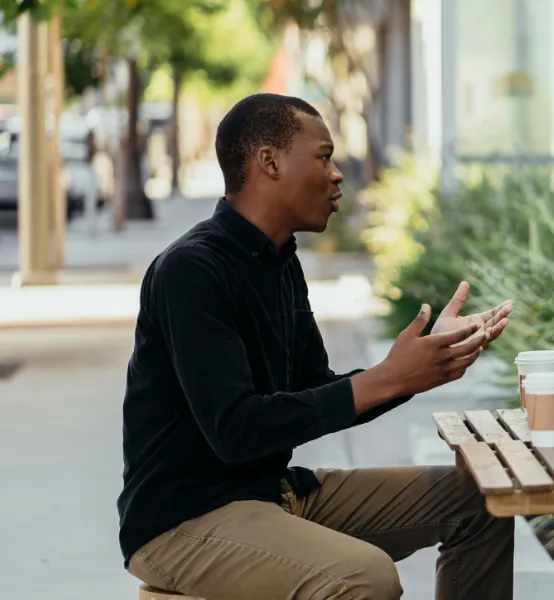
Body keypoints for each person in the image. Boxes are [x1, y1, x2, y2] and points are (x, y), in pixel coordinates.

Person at [117, 93, 515, 600]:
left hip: (274, 494)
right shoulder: (191, 271)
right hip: (182, 522)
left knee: (480, 498)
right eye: (324, 157)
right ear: (270, 161)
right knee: (364, 578)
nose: (336, 174)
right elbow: (235, 431)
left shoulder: (282, 263)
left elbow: (314, 392)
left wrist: (417, 370)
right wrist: (389, 377)